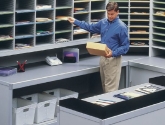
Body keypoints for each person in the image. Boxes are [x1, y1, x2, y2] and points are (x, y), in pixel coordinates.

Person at [68, 2, 129, 93]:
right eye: (108, 13)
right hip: (103, 58)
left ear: (117, 12)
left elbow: (125, 46)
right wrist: (75, 21)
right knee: (104, 87)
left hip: (113, 59)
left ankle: (111, 107)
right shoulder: (103, 22)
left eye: (112, 14)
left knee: (110, 90)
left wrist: (113, 53)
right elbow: (90, 27)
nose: (110, 16)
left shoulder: (121, 27)